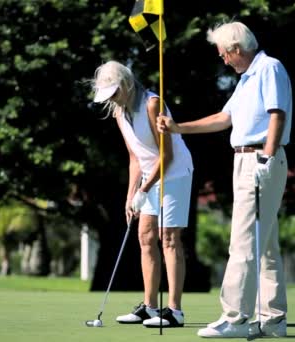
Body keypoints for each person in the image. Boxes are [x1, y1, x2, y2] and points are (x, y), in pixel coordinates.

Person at [157, 21, 291, 338]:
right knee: (266, 245)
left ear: (235, 49)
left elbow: (278, 114)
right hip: (246, 159)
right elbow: (222, 119)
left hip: (260, 159)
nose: (222, 59)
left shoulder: (270, 68)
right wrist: (178, 128)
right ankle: (273, 320)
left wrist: (267, 156)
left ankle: (236, 318)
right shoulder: (245, 80)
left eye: (223, 53)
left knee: (243, 242)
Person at [91, 60, 194, 328]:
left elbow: (167, 154)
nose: (111, 99)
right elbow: (135, 158)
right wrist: (130, 195)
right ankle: (149, 307)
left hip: (176, 173)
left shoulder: (152, 104)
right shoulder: (118, 113)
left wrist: (144, 189)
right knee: (145, 237)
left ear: (125, 84)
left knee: (168, 238)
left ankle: (175, 311)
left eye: (114, 92)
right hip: (150, 176)